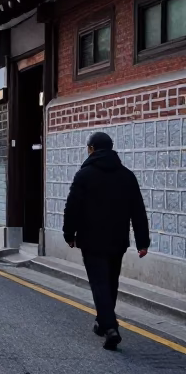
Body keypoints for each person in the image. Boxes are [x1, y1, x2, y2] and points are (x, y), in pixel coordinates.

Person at [63, 130, 150, 350]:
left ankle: (110, 328)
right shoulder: (127, 175)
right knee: (111, 281)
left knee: (99, 283)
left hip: (91, 239)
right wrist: (142, 241)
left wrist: (69, 234)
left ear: (91, 149)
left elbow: (72, 207)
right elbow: (138, 210)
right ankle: (103, 323)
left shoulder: (84, 175)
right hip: (117, 239)